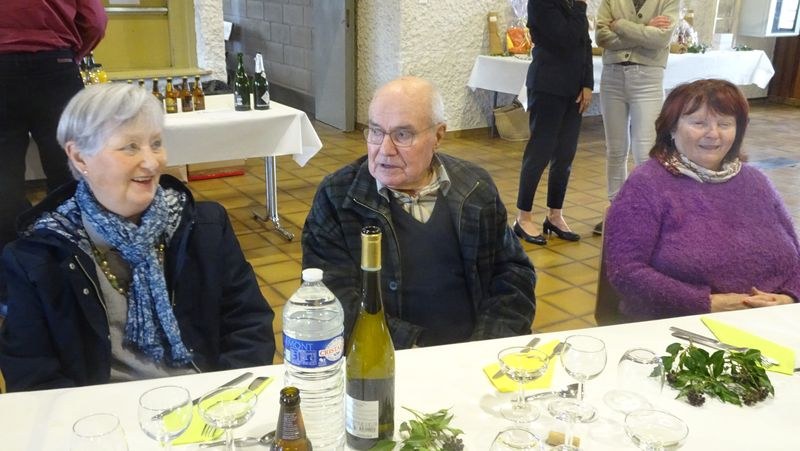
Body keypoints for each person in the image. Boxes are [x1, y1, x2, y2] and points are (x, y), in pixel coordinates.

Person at [0, 84, 276, 392]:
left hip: (208, 401)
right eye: (130, 147)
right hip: (100, 413)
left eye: (156, 144)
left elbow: (249, 324)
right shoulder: (39, 256)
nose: (152, 162)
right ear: (79, 158)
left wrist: (226, 398)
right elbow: (31, 372)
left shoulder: (203, 226)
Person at [302, 76, 536, 349]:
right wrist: (412, 348)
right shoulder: (338, 196)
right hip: (386, 356)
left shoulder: (474, 187)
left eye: (402, 135)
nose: (385, 150)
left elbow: (513, 274)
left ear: (438, 136)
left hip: (474, 353)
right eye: (376, 131)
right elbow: (331, 298)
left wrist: (483, 346)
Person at [604, 79, 800, 320]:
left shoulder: (756, 181)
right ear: (671, 128)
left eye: (725, 124)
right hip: (678, 323)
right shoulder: (646, 184)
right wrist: (706, 303)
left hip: (773, 321)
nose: (713, 134)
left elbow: (796, 257)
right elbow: (626, 271)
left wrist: (789, 298)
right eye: (699, 123)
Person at [0, 0, 107, 314]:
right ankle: (78, 276)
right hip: (55, 65)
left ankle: (11, 287)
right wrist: (70, 53)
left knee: (3, 184)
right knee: (70, 176)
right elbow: (95, 19)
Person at [593, 0, 678, 236]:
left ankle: (647, 212)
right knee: (615, 149)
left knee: (646, 151)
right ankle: (616, 210)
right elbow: (601, 37)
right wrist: (645, 31)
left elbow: (661, 38)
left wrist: (620, 25)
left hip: (648, 77)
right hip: (612, 75)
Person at [513, 0, 594, 246]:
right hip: (547, 85)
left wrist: (588, 83)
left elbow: (584, 43)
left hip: (574, 89)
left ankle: (555, 215)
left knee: (565, 154)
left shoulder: (573, 4)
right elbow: (564, 38)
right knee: (540, 152)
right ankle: (523, 217)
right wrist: (580, 6)